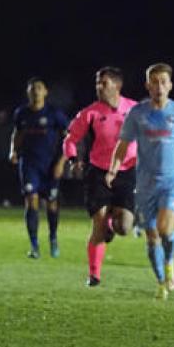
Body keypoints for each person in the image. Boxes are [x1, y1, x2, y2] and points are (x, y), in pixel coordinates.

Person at [106, 62, 174, 299]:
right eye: (154, 82)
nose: (159, 86)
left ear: (170, 85)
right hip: (145, 185)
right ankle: (160, 281)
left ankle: (170, 263)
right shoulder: (137, 114)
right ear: (147, 85)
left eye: (163, 81)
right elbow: (123, 143)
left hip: (173, 181)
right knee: (152, 235)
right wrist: (114, 168)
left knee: (165, 229)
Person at [63, 67, 138, 286]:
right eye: (98, 82)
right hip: (98, 172)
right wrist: (73, 159)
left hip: (127, 171)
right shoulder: (90, 112)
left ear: (117, 85)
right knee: (98, 223)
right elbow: (70, 138)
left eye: (103, 83)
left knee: (124, 227)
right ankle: (94, 275)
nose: (99, 87)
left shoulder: (134, 109)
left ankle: (111, 227)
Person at [10, 77, 69, 258]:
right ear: (28, 92)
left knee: (51, 203)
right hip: (29, 164)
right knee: (31, 200)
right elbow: (17, 133)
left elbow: (69, 138)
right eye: (32, 88)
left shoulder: (54, 114)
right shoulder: (21, 113)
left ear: (45, 91)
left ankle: (52, 237)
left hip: (50, 164)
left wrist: (61, 162)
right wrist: (13, 151)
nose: (35, 91)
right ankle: (34, 246)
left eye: (39, 88)